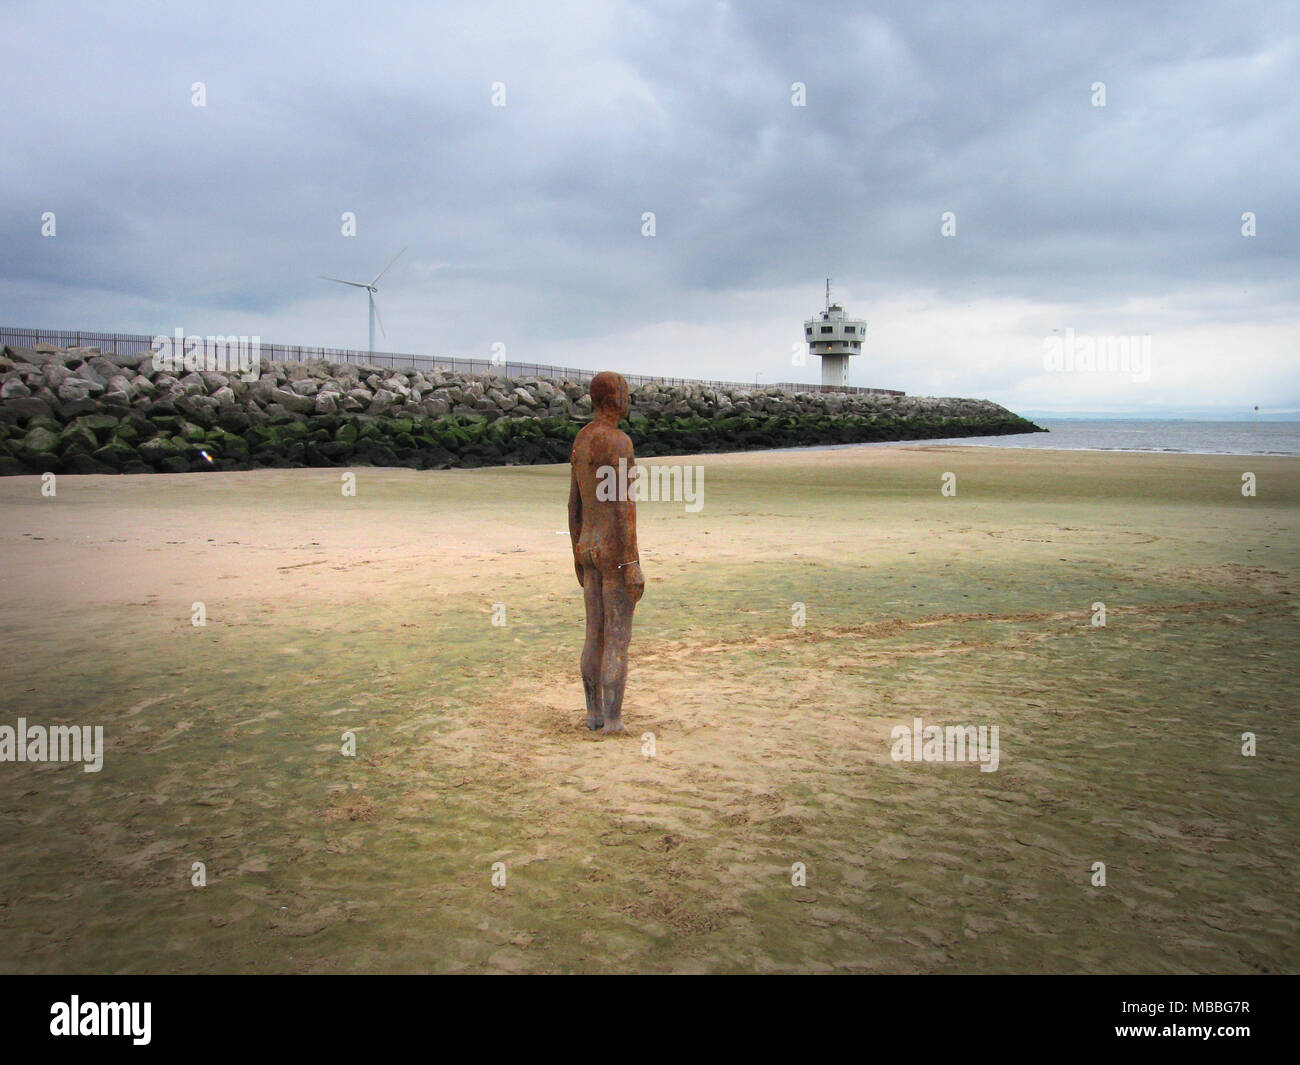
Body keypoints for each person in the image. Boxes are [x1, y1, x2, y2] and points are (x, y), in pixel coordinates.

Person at [568, 371, 645, 732]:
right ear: (612, 398)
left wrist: (575, 551)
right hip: (613, 550)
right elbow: (623, 507)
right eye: (626, 392)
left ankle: (593, 714)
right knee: (617, 637)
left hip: (587, 544)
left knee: (593, 634)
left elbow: (575, 504)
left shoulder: (582, 440)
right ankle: (613, 720)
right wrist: (631, 563)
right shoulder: (619, 442)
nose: (629, 399)